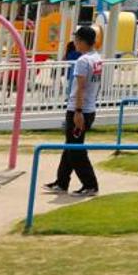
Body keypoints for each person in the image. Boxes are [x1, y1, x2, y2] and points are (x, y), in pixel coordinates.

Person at [44, 25, 103, 197]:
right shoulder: (96, 58)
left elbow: (81, 87)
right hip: (88, 108)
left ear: (82, 41)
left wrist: (78, 111)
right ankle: (61, 182)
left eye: (76, 39)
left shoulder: (83, 61)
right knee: (69, 146)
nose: (74, 43)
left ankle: (90, 185)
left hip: (79, 109)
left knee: (76, 150)